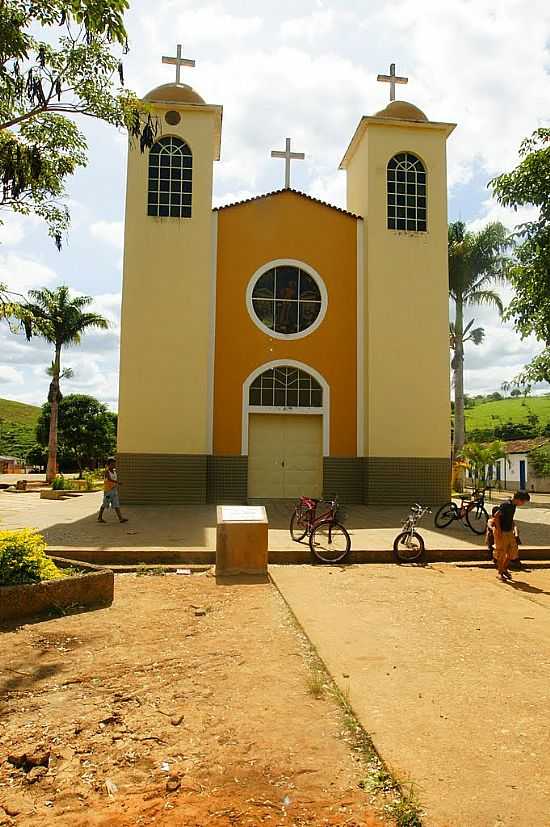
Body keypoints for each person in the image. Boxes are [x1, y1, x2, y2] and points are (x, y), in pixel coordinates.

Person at [492, 490, 530, 581]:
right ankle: (500, 572)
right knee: (501, 553)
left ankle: (504, 569)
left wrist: (514, 530)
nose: (523, 504)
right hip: (501, 531)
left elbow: (510, 519)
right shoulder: (506, 505)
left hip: (509, 531)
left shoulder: (513, 506)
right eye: (523, 501)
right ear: (518, 499)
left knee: (512, 552)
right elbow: (496, 517)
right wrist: (499, 532)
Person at [98, 457, 128, 524]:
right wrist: (117, 482)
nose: (114, 465)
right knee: (105, 504)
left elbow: (112, 480)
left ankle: (121, 518)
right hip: (108, 491)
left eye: (114, 463)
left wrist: (116, 483)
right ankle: (99, 517)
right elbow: (109, 479)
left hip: (114, 490)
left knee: (116, 504)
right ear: (108, 465)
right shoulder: (107, 472)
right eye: (112, 464)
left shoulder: (114, 472)